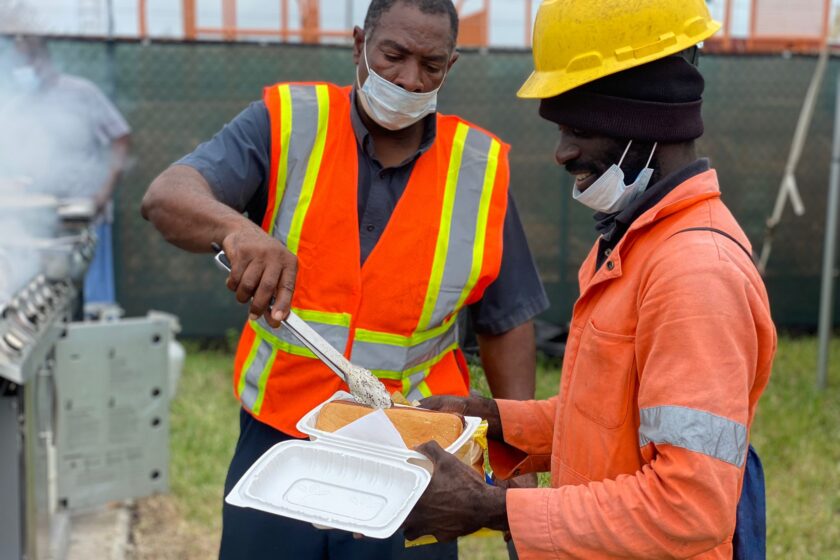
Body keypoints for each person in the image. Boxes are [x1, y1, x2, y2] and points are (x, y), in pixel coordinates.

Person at [141, 0, 548, 558]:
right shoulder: (288, 122)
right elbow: (167, 196)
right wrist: (236, 230)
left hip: (413, 449)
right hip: (283, 432)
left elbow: (506, 321)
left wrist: (515, 456)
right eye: (393, 55)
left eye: (430, 65)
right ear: (359, 45)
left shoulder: (479, 166)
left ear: (450, 67)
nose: (408, 79)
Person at [404, 1, 776, 558]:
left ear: (647, 121)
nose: (563, 153)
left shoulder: (694, 274)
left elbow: (689, 505)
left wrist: (494, 509)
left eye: (579, 127)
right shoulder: (637, 244)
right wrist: (493, 419)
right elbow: (607, 421)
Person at [1, 35, 131, 306]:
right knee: (42, 296)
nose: (22, 71)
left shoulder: (81, 93)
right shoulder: (18, 103)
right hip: (40, 218)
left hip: (86, 213)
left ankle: (98, 328)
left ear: (43, 60)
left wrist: (103, 193)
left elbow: (120, 138)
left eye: (26, 61)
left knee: (95, 298)